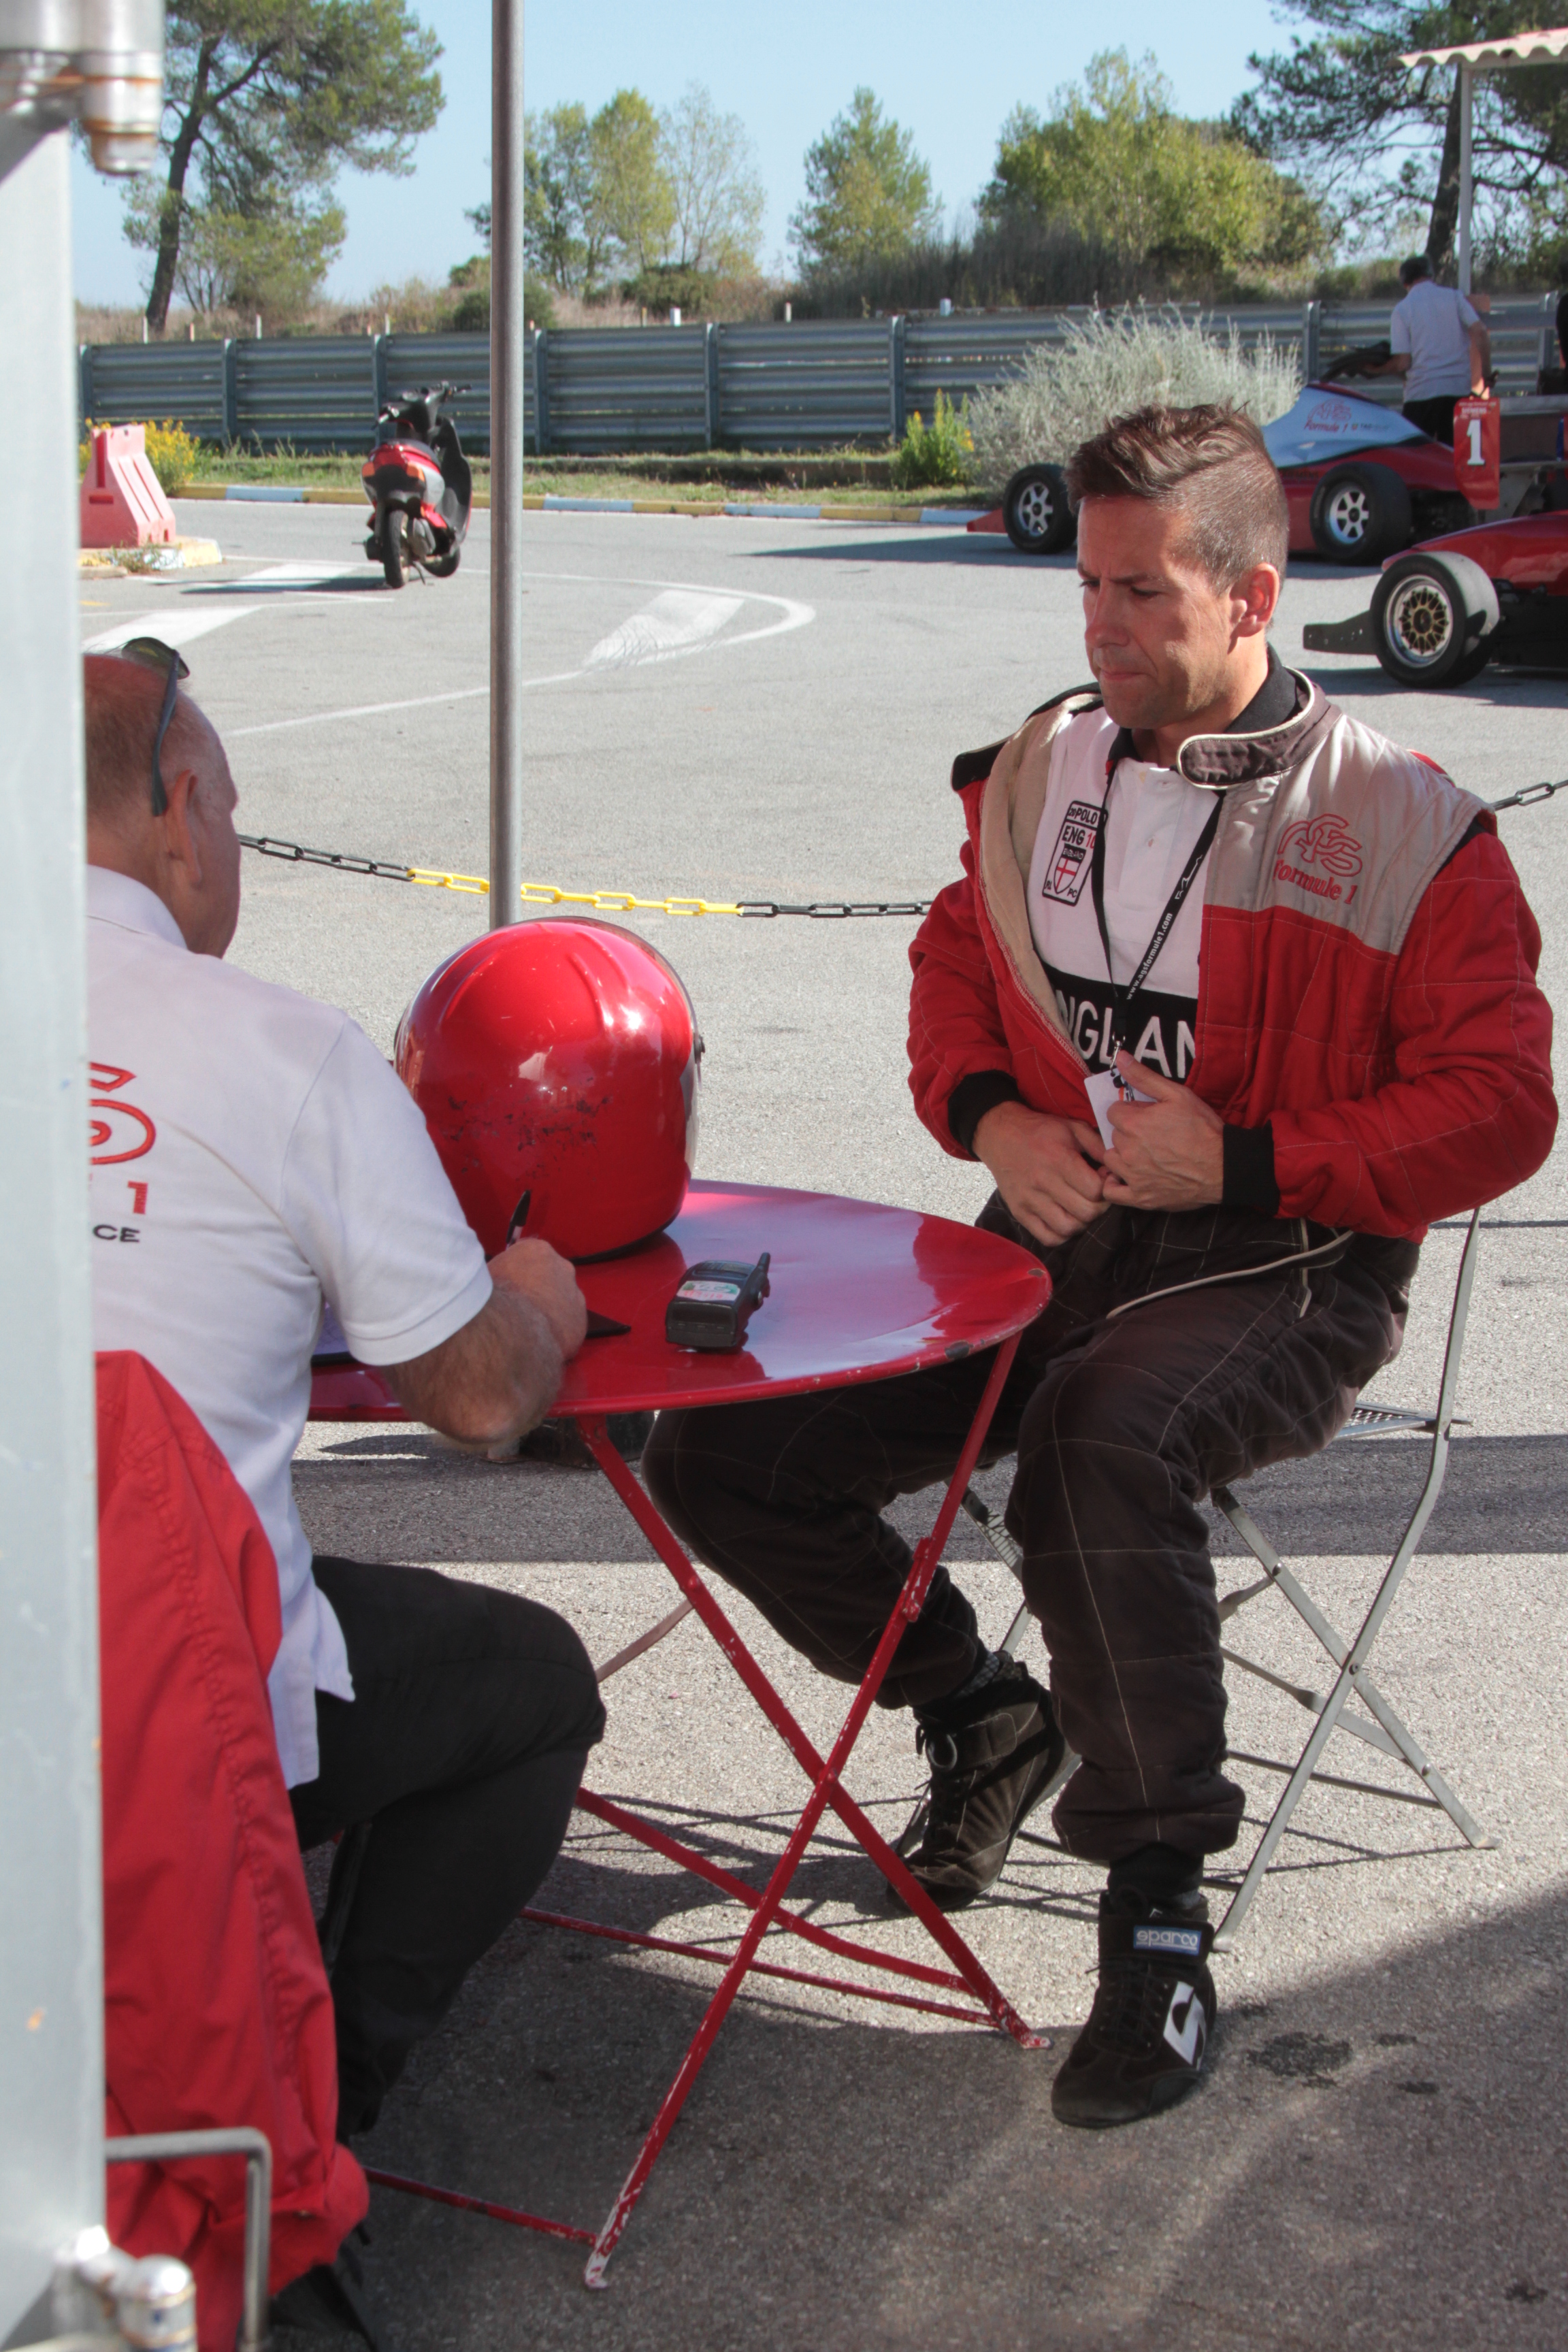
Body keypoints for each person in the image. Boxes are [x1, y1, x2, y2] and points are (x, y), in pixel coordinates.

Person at [644, 404, 1556, 2130]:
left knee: (1094, 1441)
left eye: (1143, 593)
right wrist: (992, 1117)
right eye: (1088, 587)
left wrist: (1256, 1160)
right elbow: (952, 966)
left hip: (1290, 1257)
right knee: (725, 1447)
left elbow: (1505, 1107)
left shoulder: (1408, 822)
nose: (1101, 627)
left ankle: (1155, 1916)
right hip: (1063, 1223)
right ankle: (983, 1709)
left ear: (1252, 596)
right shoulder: (1044, 767)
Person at [84, 644, 606, 2168]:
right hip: (155, 1714)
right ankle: (314, 2118)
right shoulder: (279, 1050)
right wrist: (538, 1301)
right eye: (233, 816)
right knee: (530, 1684)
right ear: (181, 811)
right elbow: (482, 1398)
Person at [1380, 252, 1490, 443]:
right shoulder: (1455, 297)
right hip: (1458, 392)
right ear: (1431, 275)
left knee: (1416, 458)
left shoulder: (1402, 309)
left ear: (1405, 283)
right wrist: (1486, 374)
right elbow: (1480, 332)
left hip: (1421, 396)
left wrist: (1377, 369)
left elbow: (1403, 362)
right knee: (1455, 457)